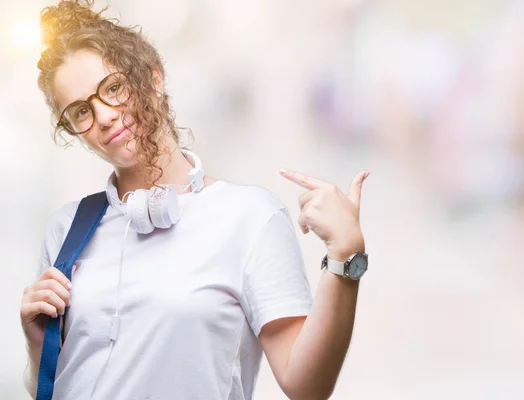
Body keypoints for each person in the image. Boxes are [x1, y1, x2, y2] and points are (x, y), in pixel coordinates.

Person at [20, 1, 370, 399]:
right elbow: (50, 385)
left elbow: (308, 387)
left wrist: (346, 258)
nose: (103, 116)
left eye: (113, 88)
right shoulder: (66, 231)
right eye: (81, 110)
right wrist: (38, 346)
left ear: (153, 77)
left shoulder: (250, 218)